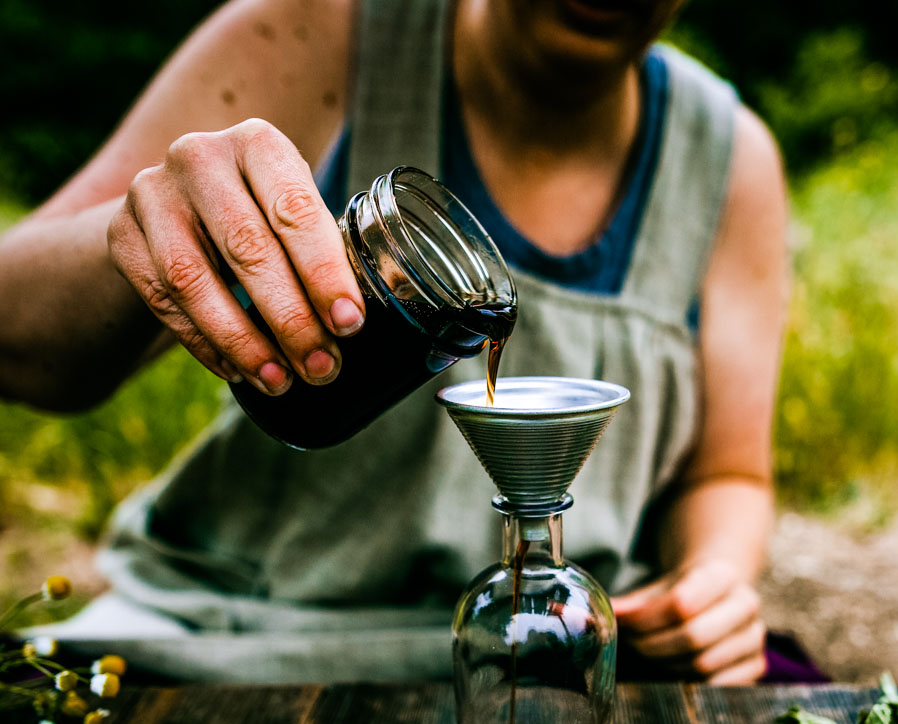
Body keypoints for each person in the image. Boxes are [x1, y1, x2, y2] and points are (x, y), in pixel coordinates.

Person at [0, 0, 793, 684]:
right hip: (238, 644)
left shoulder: (727, 160)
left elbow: (725, 472)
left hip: (550, 657)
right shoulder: (325, 30)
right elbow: (21, 345)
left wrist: (715, 581)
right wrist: (143, 238)